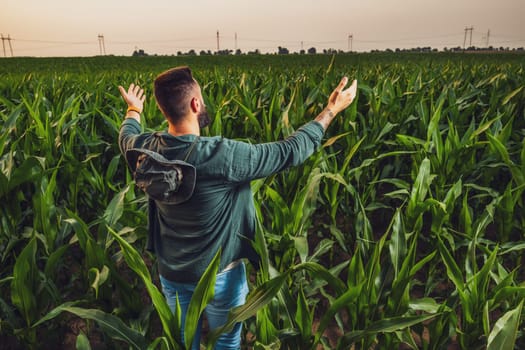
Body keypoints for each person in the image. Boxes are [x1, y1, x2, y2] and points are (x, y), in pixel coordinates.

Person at [118, 66, 357, 349]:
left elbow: (126, 136)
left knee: (182, 345)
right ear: (196, 104)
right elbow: (289, 151)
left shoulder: (143, 150)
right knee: (227, 343)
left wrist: (133, 110)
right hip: (222, 277)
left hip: (173, 274)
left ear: (162, 108)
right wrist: (331, 110)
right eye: (201, 98)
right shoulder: (223, 155)